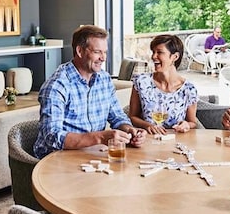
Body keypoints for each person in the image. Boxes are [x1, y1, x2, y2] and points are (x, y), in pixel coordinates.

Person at [32, 25, 146, 159]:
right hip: (56, 159)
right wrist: (99, 137)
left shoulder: (104, 79)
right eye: (97, 52)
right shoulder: (57, 85)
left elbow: (117, 117)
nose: (103, 58)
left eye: (105, 52)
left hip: (92, 154)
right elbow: (51, 137)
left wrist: (129, 130)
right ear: (80, 51)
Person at [129, 34, 199, 135]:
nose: (153, 56)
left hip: (177, 143)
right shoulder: (141, 82)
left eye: (159, 52)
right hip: (148, 142)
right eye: (153, 52)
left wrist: (186, 125)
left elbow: (192, 122)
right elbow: (132, 117)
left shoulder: (189, 90)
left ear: (175, 57)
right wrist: (148, 126)